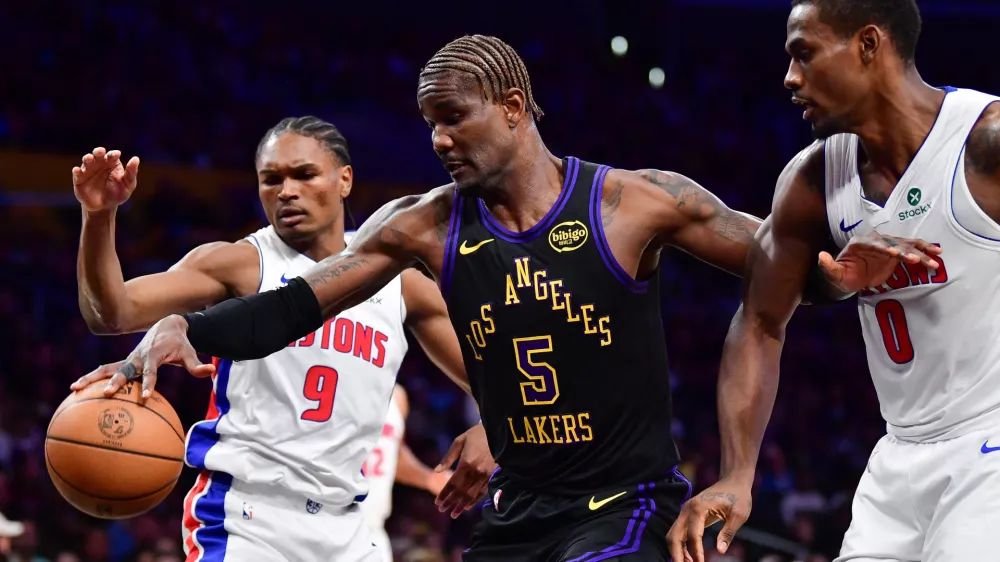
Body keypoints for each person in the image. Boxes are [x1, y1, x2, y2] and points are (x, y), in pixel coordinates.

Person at [103, 36, 935, 561]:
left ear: (511, 107)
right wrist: (188, 327)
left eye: (453, 119)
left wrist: (835, 277)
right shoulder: (421, 225)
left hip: (626, 505)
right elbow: (298, 304)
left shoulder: (634, 202)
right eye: (428, 123)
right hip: (519, 513)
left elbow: (769, 266)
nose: (437, 139)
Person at [69, 117, 494, 562]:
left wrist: (491, 426)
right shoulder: (239, 263)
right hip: (247, 517)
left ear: (344, 179)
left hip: (349, 524)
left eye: (304, 174)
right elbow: (111, 313)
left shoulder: (399, 280)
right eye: (271, 179)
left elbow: (494, 378)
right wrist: (99, 216)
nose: (286, 190)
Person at [666, 1, 1000, 561]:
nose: (790, 78)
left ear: (869, 45)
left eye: (805, 54)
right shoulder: (813, 179)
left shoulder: (984, 145)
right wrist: (736, 474)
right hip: (898, 457)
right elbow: (759, 321)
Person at [360, 384, 452, 562]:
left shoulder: (397, 396)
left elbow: (394, 453)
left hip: (372, 532)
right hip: (322, 522)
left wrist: (429, 478)